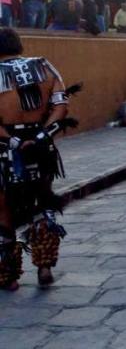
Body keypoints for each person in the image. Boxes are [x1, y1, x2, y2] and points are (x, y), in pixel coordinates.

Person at [0, 28, 71, 289]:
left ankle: (7, 276)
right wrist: (41, 136)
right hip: (40, 147)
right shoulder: (44, 67)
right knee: (42, 199)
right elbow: (61, 106)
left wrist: (14, 141)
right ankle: (44, 266)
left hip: (5, 148)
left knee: (3, 208)